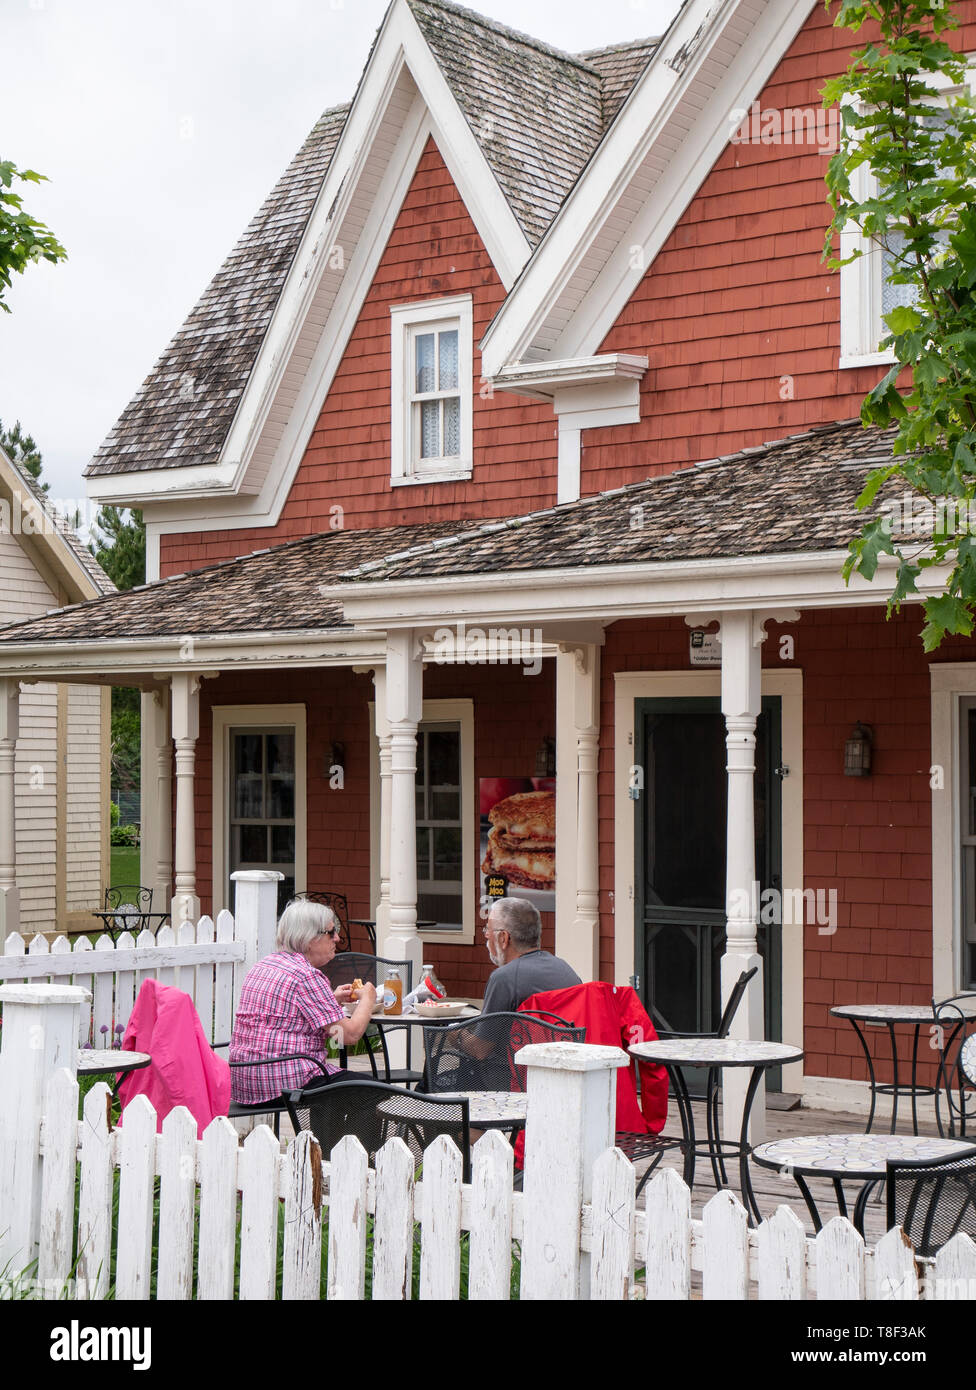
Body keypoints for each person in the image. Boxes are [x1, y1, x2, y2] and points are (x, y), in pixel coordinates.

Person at [229, 898, 376, 1105]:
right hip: (284, 1080)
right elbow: (347, 1035)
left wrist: (330, 999)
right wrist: (368, 999)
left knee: (339, 1082)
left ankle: (322, 1137)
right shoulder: (306, 976)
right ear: (309, 939)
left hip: (245, 1081)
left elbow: (283, 1012)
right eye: (331, 932)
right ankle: (334, 1138)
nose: (338, 938)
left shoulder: (264, 965)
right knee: (370, 1089)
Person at [481, 897, 581, 1013]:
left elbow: (488, 1031)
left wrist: (457, 1031)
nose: (486, 935)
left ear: (503, 938)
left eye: (488, 929)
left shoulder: (504, 978)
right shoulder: (564, 968)